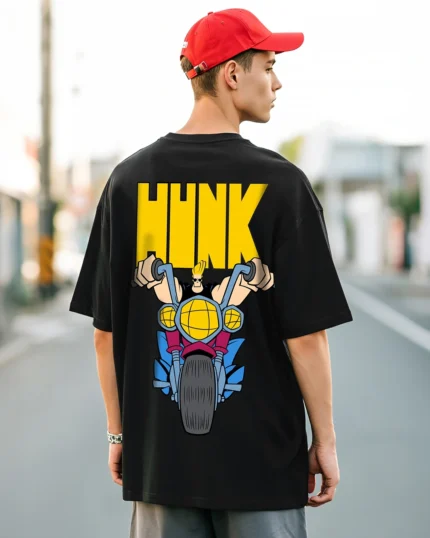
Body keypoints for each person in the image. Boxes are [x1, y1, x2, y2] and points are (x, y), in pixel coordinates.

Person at [69, 7, 353, 538]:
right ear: (232, 74)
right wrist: (325, 441)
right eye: (269, 66)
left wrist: (119, 435)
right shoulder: (282, 185)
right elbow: (306, 336)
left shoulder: (128, 181)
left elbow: (105, 334)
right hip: (262, 469)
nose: (277, 82)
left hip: (161, 468)